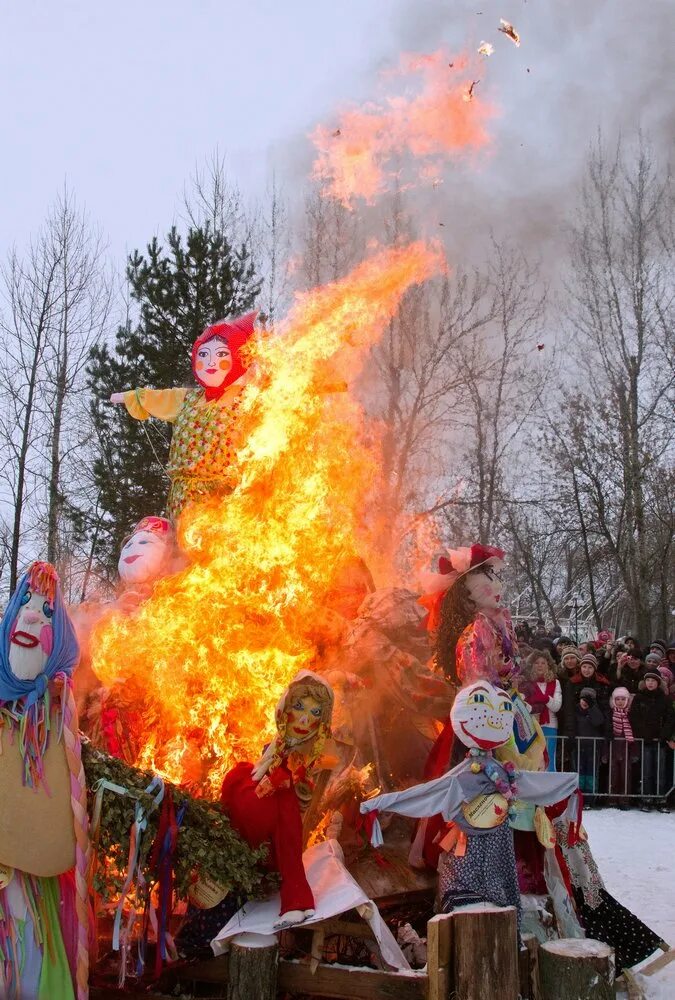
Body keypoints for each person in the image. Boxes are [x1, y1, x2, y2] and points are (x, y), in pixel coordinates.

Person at [110, 312, 258, 521]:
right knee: (179, 548)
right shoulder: (186, 399)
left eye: (221, 355)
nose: (211, 363)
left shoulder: (251, 399)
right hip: (183, 500)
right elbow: (156, 397)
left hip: (224, 503)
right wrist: (127, 396)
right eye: (204, 355)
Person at [220, 670, 336, 928]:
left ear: (322, 719)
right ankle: (296, 898)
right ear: (286, 708)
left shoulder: (311, 749)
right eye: (298, 707)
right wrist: (268, 777)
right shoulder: (281, 741)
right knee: (240, 779)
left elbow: (298, 780)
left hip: (280, 809)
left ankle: (297, 900)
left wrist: (282, 780)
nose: (305, 719)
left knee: (286, 813)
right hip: (259, 809)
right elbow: (265, 770)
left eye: (315, 713)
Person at [630, 667, 674, 812]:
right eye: (647, 680)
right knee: (646, 770)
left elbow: (670, 719)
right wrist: (643, 734)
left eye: (653, 681)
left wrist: (664, 735)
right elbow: (634, 718)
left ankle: (661, 798)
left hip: (660, 740)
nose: (650, 683)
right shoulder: (639, 697)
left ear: (658, 683)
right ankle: (646, 798)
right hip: (645, 740)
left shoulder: (665, 699)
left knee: (660, 770)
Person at [521, 651, 562, 771]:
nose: (540, 665)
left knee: (549, 757)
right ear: (531, 665)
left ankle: (550, 785)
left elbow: (556, 707)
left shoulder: (555, 682)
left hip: (550, 725)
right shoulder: (527, 684)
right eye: (536, 663)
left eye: (543, 663)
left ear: (548, 665)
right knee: (534, 759)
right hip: (531, 725)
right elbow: (523, 705)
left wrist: (542, 697)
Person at [572, 686, 608, 806]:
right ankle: (579, 797)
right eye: (583, 699)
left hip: (593, 747)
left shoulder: (596, 710)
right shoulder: (575, 710)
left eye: (588, 700)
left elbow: (598, 721)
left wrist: (592, 707)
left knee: (591, 774)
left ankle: (590, 798)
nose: (585, 702)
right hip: (578, 747)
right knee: (579, 773)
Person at [608, 687, 638, 808]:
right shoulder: (610, 715)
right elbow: (607, 734)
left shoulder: (630, 716)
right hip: (613, 749)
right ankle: (612, 798)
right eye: (617, 699)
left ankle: (624, 799)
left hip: (626, 750)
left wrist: (635, 752)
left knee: (626, 775)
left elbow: (635, 735)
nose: (620, 701)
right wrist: (605, 753)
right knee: (613, 774)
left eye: (623, 699)